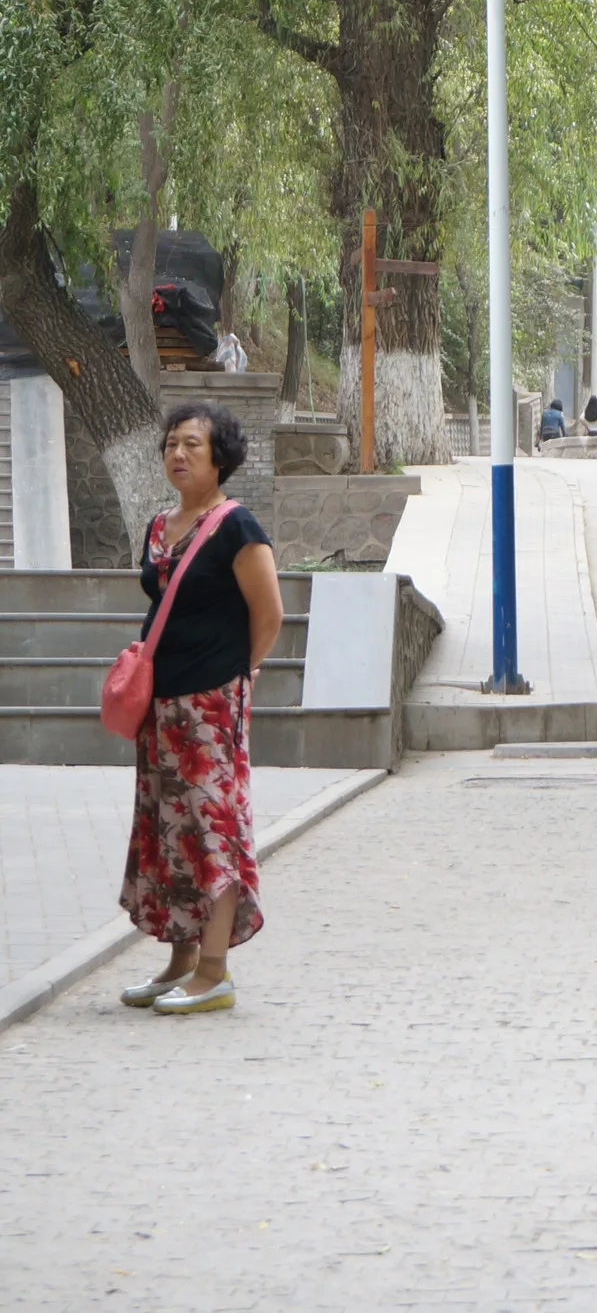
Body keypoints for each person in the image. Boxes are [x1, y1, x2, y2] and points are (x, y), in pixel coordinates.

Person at [118, 402, 284, 1016]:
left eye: (192, 444)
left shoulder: (237, 526)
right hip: (159, 706)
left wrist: (238, 672)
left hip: (211, 706)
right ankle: (180, 960)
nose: (178, 453)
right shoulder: (161, 524)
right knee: (168, 832)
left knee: (214, 829)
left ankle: (214, 971)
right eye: (170, 444)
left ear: (221, 458)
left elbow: (268, 615)